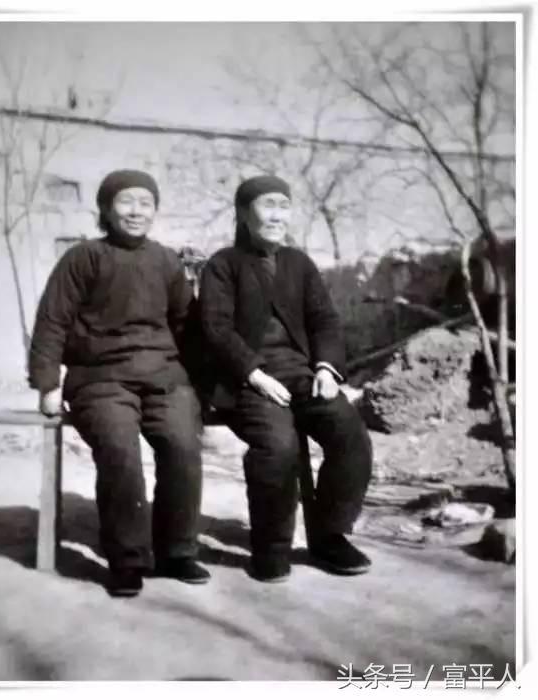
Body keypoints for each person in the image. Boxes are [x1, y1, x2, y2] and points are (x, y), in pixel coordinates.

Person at [28, 169, 210, 597]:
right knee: (120, 451)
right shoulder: (84, 258)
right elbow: (52, 321)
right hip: (100, 378)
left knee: (183, 448)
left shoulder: (166, 261)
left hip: (164, 377)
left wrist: (204, 385)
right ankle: (127, 559)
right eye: (126, 201)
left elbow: (186, 327)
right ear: (106, 210)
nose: (136, 211)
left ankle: (177, 551)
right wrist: (48, 383)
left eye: (146, 203)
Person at [199, 175, 373, 582]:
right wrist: (254, 374)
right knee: (278, 447)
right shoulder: (223, 265)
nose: (277, 216)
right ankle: (272, 548)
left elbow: (325, 320)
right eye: (267, 205)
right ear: (244, 214)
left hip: (302, 375)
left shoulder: (299, 264)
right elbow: (216, 329)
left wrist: (326, 368)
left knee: (350, 435)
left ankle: (329, 536)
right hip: (246, 380)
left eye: (284, 206)